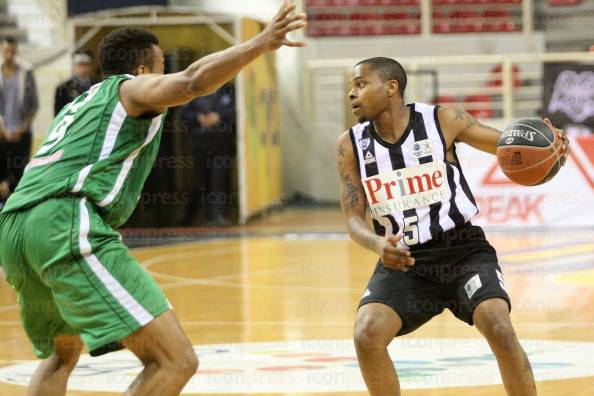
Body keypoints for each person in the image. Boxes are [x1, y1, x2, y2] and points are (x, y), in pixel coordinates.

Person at [0, 2, 306, 395]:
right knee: (175, 360)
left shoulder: (80, 103)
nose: (166, 74)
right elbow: (194, 81)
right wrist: (259, 44)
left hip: (15, 230)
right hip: (63, 220)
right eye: (163, 66)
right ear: (144, 70)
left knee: (61, 355)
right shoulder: (130, 87)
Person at [336, 57, 569, 396]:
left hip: (463, 250)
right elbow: (353, 219)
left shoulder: (441, 119)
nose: (351, 93)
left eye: (360, 84)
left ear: (391, 88)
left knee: (499, 326)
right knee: (366, 334)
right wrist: (377, 244)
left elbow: (508, 147)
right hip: (405, 260)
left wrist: (548, 146)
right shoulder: (350, 144)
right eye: (351, 86)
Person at [181, 83, 236, 226]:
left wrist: (219, 116)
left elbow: (237, 110)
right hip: (199, 143)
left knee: (220, 178)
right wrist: (198, 118)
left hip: (222, 142)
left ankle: (220, 214)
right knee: (202, 181)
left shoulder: (228, 89)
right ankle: (209, 217)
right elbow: (183, 112)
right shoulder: (195, 86)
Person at [0, 35, 38, 207]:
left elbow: (33, 104)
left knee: (20, 173)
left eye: (13, 51)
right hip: (1, 133)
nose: (9, 54)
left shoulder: (26, 71)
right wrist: (3, 129)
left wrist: (23, 128)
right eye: (6, 50)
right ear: (2, 50)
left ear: (16, 52)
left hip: (22, 133)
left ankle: (17, 210)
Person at [54, 49, 100, 115]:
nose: (83, 68)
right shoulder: (62, 88)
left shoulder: (99, 85)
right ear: (74, 66)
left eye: (85, 65)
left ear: (90, 66)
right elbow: (58, 114)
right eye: (79, 65)